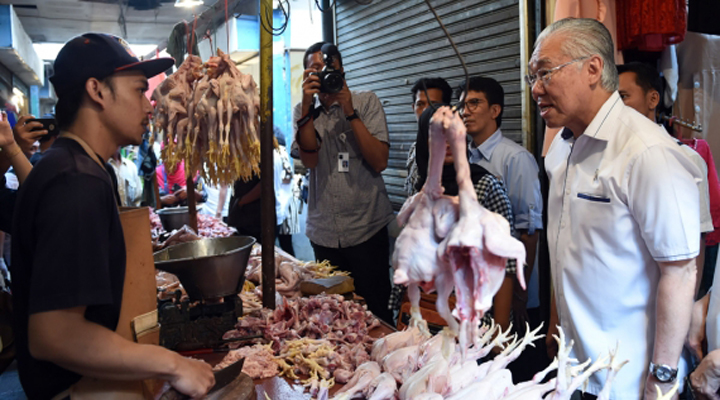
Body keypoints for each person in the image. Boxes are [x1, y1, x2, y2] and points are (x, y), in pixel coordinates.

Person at [10, 33, 214, 399]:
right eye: (138, 90)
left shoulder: (75, 167)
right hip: (72, 389)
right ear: (97, 91)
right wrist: (172, 363)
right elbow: (53, 334)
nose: (150, 107)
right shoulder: (76, 181)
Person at [534, 18, 700, 400]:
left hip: (629, 380)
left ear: (592, 69)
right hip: (573, 368)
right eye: (532, 78)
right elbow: (566, 245)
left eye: (545, 74)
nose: (536, 89)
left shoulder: (646, 152)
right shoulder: (560, 146)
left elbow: (680, 268)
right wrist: (557, 322)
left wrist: (662, 379)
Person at [292, 42, 394, 323]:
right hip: (325, 232)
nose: (321, 75)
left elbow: (379, 161)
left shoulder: (366, 102)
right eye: (313, 70)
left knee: (375, 312)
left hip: (366, 228)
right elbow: (310, 160)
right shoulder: (304, 112)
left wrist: (348, 110)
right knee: (332, 317)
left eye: (327, 69)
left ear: (341, 70)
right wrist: (306, 105)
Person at [617, 62, 715, 296]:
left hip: (662, 299)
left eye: (623, 97)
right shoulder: (602, 156)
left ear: (652, 100)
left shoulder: (685, 159)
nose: (614, 108)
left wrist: (688, 305)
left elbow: (695, 244)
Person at [459, 76, 543, 333]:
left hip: (511, 293)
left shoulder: (515, 159)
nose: (465, 111)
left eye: (475, 103)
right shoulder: (463, 156)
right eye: (463, 104)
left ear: (495, 110)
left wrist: (520, 294)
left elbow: (529, 233)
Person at [405, 77, 453, 195]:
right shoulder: (414, 150)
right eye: (420, 104)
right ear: (413, 108)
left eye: (433, 104)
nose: (426, 110)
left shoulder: (453, 150)